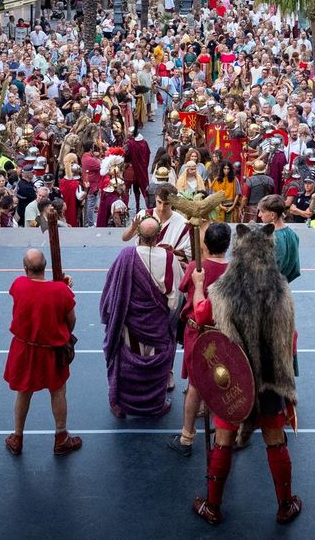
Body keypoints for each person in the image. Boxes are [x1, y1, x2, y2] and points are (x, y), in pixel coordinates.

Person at [192, 223, 300, 526]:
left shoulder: (222, 290)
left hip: (234, 380)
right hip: (271, 379)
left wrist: (199, 286)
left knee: (223, 440)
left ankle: (213, 505)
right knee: (275, 441)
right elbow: (291, 339)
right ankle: (285, 504)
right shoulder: (282, 290)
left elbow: (200, 315)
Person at [3, 247, 81, 456]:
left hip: (24, 349)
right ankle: (61, 437)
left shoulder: (18, 284)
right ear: (45, 266)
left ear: (25, 268)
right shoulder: (61, 291)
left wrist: (59, 285)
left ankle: (17, 437)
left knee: (23, 392)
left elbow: (38, 293)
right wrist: (62, 286)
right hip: (52, 351)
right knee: (58, 391)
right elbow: (71, 320)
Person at [99, 216, 176, 418]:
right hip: (157, 325)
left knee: (127, 363)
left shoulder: (126, 256)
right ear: (159, 235)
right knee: (155, 365)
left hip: (129, 325)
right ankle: (155, 404)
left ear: (138, 235)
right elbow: (174, 298)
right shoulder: (169, 258)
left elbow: (112, 288)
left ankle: (122, 403)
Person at [172, 221, 232, 455]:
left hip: (198, 332)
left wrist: (197, 279)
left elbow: (184, 290)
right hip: (225, 333)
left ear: (205, 244)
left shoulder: (196, 268)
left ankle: (186, 437)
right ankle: (224, 437)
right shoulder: (235, 270)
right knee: (224, 381)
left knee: (195, 384)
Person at [258, 195, 301, 282]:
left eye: (262, 211)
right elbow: (295, 267)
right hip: (285, 283)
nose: (259, 215)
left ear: (272, 215)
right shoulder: (293, 234)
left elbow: (271, 268)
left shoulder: (271, 239)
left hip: (270, 284)